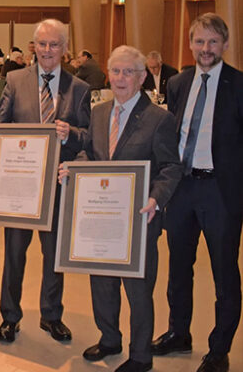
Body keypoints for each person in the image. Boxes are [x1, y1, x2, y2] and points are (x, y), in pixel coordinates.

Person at [63, 45, 181, 372]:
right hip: (101, 218)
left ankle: (141, 356)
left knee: (138, 292)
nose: (120, 78)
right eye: (115, 71)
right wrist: (75, 168)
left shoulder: (160, 119)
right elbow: (90, 153)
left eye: (129, 71)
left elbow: (170, 167)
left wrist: (156, 198)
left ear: (142, 77)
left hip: (139, 219)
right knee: (101, 283)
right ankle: (110, 338)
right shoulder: (99, 112)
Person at [0, 19, 90, 344]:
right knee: (14, 255)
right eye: (42, 44)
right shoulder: (14, 80)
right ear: (33, 47)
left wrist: (73, 135)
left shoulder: (78, 88)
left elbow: (89, 137)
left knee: (54, 257)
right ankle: (10, 317)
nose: (47, 51)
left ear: (64, 49)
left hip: (57, 184)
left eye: (54, 45)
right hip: (19, 188)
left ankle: (51, 315)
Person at [152, 13, 243, 372]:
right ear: (190, 44)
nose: (206, 49)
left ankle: (219, 349)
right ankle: (179, 333)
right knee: (178, 268)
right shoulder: (178, 83)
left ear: (224, 45)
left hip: (221, 193)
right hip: (183, 190)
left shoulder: (238, 85)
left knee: (224, 273)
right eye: (200, 42)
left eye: (213, 42)